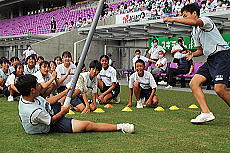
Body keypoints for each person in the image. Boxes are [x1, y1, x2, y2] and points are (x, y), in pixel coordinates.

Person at [163, 3, 230, 124]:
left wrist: (173, 19)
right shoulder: (194, 32)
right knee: (194, 83)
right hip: (210, 59)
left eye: (185, 15)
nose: (184, 18)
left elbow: (195, 22)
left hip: (222, 55)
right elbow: (201, 51)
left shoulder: (205, 20)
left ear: (194, 13)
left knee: (219, 89)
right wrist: (192, 54)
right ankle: (206, 113)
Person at [15, 74, 134, 134]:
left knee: (68, 97)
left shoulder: (27, 97)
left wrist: (65, 92)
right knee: (87, 125)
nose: (40, 85)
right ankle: (121, 126)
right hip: (49, 124)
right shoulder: (33, 112)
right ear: (32, 90)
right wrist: (64, 111)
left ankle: (72, 98)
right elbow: (52, 121)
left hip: (48, 113)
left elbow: (46, 102)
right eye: (37, 85)